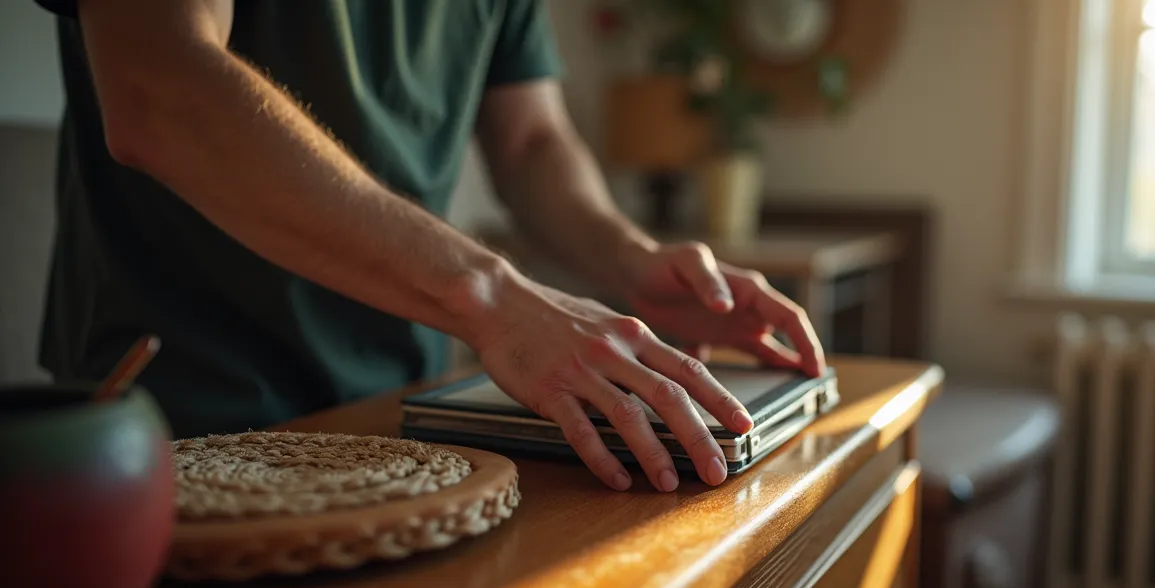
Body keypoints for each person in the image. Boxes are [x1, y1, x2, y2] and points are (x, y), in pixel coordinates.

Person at [34, 0, 825, 493]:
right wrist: (495, 297)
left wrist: (630, 259)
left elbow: (531, 141)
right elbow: (160, 88)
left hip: (402, 420)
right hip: (171, 414)